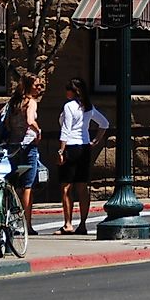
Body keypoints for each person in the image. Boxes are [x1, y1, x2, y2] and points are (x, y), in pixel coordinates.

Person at [57, 77, 107, 235]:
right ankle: (83, 223)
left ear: (73, 91)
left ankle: (68, 223)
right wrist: (96, 140)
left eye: (67, 88)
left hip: (70, 146)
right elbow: (104, 123)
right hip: (84, 147)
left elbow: (66, 128)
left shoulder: (69, 106)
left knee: (66, 187)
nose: (66, 91)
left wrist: (61, 150)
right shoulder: (88, 107)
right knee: (82, 187)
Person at [3, 74, 44, 234]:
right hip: (27, 147)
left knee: (15, 184)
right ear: (29, 86)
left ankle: (13, 220)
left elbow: (4, 121)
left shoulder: (13, 102)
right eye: (37, 85)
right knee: (28, 185)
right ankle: (26, 224)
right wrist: (38, 131)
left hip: (13, 146)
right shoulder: (31, 102)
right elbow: (29, 120)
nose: (39, 88)